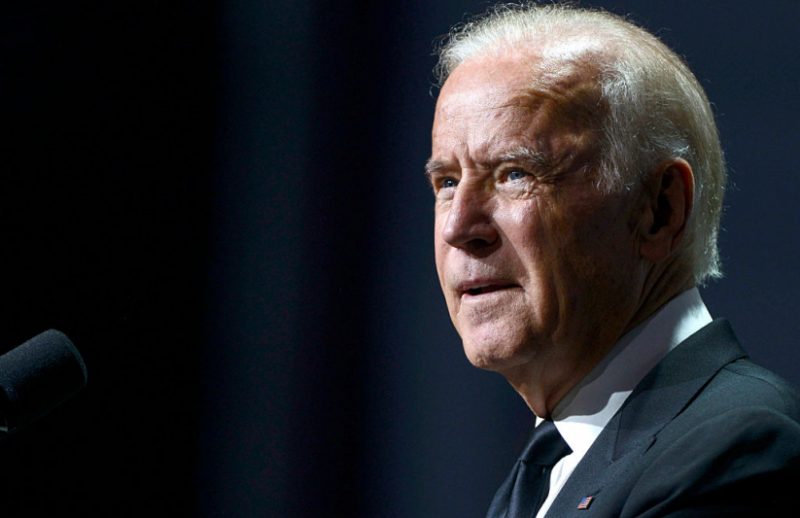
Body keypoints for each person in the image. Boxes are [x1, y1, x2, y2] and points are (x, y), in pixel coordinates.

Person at [426, 3, 800, 517]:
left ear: (658, 210)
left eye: (515, 174)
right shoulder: (548, 470)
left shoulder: (737, 451)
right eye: (447, 182)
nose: (458, 227)